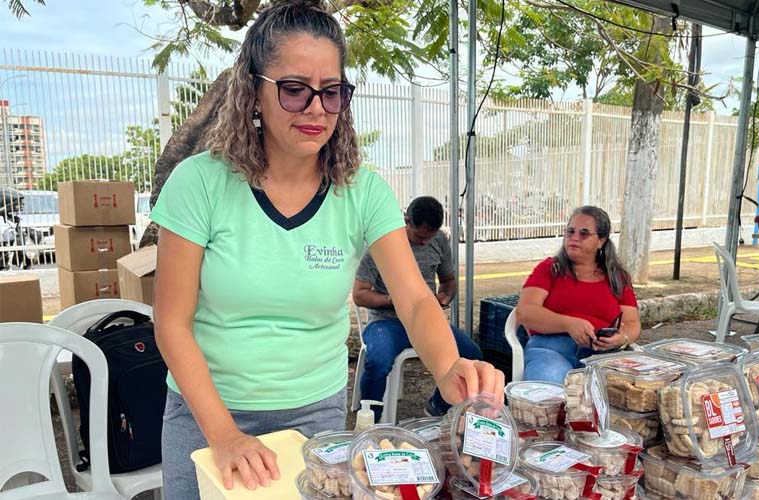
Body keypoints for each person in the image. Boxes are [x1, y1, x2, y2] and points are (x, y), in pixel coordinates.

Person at [150, 3, 504, 498]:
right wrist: (225, 435)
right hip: (206, 412)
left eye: (332, 91)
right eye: (294, 89)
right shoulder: (200, 183)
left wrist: (449, 369)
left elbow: (416, 298)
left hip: (313, 413)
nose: (317, 108)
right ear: (254, 92)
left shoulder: (363, 192)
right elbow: (170, 322)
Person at [353, 196, 483, 420]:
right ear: (406, 222)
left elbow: (449, 281)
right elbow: (359, 295)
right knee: (377, 360)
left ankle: (438, 405)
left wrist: (444, 297)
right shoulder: (383, 243)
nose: (425, 243)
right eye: (420, 236)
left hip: (425, 320)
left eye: (430, 237)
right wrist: (394, 299)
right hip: (386, 321)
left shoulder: (439, 240)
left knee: (471, 355)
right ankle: (370, 419)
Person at [516, 206, 641, 383]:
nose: (574, 238)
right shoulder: (550, 269)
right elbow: (525, 312)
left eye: (584, 233)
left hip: (602, 356)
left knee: (622, 398)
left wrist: (622, 337)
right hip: (551, 349)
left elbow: (632, 323)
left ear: (601, 240)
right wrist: (568, 324)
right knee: (551, 395)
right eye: (570, 232)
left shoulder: (617, 277)